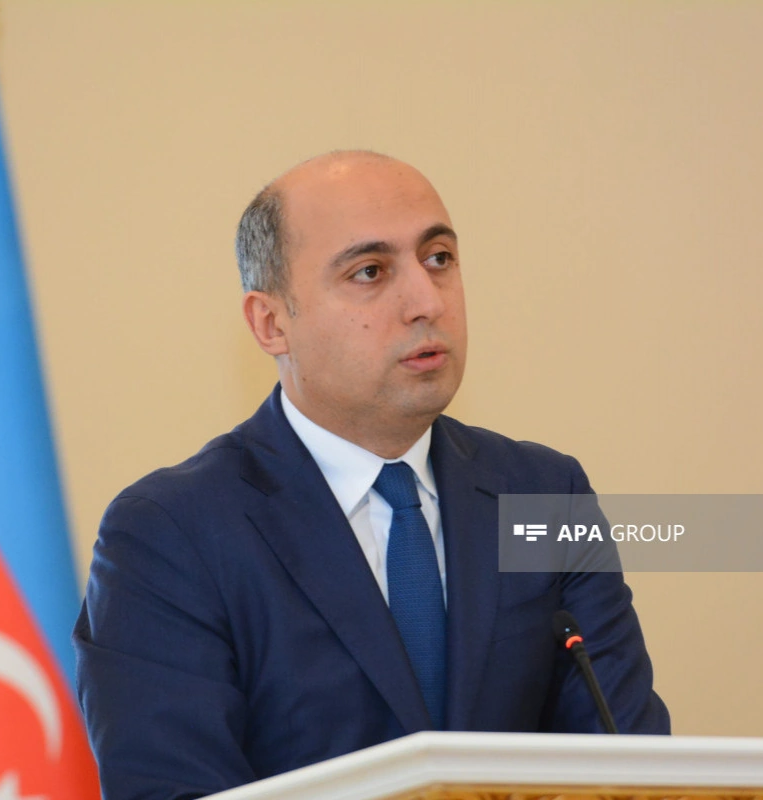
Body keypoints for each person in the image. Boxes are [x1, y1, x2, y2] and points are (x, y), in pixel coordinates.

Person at [73, 151, 669, 800]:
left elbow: (628, 770)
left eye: (438, 258)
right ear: (272, 323)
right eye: (370, 272)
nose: (426, 301)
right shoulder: (171, 535)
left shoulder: (544, 493)